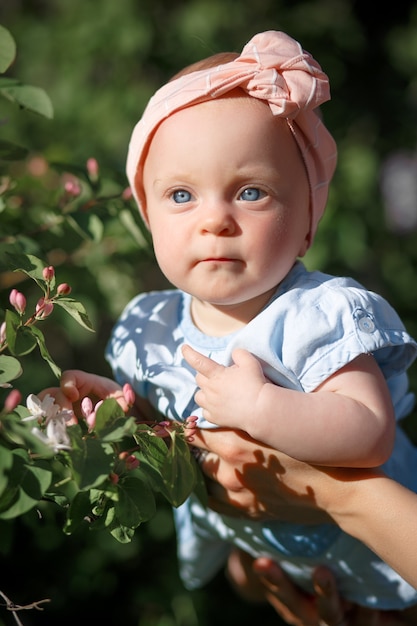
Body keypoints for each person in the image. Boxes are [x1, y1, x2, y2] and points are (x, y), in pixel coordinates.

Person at [53, 30, 417, 619]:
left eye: (251, 192)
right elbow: (167, 427)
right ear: (148, 218)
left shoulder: (314, 314)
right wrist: (114, 407)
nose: (215, 219)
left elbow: (369, 430)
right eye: (180, 195)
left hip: (380, 559)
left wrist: (262, 408)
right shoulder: (149, 328)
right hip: (264, 552)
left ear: (306, 224)